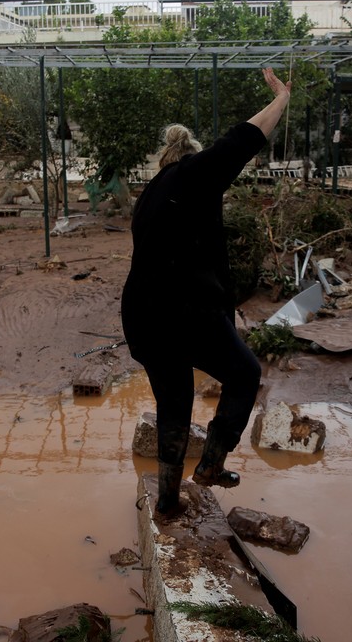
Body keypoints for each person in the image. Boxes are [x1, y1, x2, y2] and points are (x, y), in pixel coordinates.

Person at [122, 67, 292, 517]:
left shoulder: (151, 193)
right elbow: (242, 140)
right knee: (245, 374)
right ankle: (212, 464)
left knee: (173, 403)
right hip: (185, 312)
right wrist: (281, 100)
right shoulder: (193, 175)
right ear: (194, 159)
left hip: (145, 316)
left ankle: (167, 501)